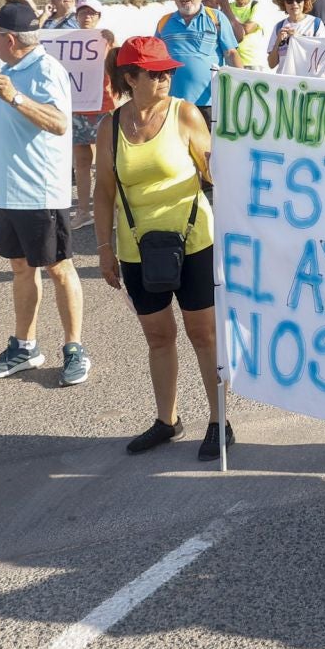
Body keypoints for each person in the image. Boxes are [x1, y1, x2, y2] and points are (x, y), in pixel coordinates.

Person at [93, 37, 230, 459]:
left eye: (167, 70)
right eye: (155, 73)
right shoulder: (110, 127)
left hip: (194, 242)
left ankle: (218, 420)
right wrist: (104, 248)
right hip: (138, 249)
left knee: (202, 334)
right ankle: (166, 420)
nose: (166, 77)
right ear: (130, 78)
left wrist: (215, 161)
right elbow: (103, 191)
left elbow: (212, 170)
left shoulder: (184, 113)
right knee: (158, 336)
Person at [0, 1, 88, 387]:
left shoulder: (46, 69)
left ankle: (74, 348)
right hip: (9, 195)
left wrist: (15, 97)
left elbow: (59, 123)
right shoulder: (9, 71)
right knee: (21, 268)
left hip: (41, 193)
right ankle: (25, 347)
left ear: (10, 39)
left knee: (59, 269)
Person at [153, 0, 245, 124]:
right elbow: (156, 60)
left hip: (210, 103)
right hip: (172, 103)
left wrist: (245, 84)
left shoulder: (216, 17)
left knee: (208, 147)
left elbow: (230, 54)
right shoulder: (164, 22)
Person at [68, 0, 115, 225]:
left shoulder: (106, 40)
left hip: (102, 107)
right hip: (76, 109)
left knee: (108, 160)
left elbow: (117, 65)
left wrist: (112, 42)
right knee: (82, 160)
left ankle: (113, 210)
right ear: (76, 16)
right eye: (82, 13)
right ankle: (83, 211)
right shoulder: (66, 42)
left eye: (91, 13)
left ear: (98, 17)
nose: (87, 17)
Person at [267, 0, 325, 66]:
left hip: (306, 78)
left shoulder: (316, 24)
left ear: (305, 2)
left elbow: (323, 57)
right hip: (285, 78)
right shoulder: (279, 27)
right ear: (284, 4)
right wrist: (277, 43)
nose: (294, 4)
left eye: (299, 0)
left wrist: (300, 38)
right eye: (289, 1)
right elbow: (271, 65)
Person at [224, 0, 267, 70]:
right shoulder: (228, 7)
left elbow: (246, 29)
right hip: (232, 60)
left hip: (252, 61)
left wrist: (233, 26)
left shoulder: (256, 5)